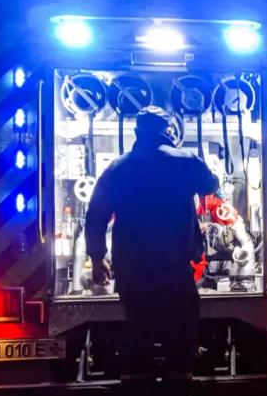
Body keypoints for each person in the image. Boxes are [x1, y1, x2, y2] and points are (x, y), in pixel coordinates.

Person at [86, 106, 219, 380]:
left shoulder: (118, 169)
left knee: (139, 336)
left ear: (137, 132)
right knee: (180, 341)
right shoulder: (184, 161)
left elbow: (96, 215)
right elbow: (211, 184)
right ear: (168, 131)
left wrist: (98, 258)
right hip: (174, 269)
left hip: (132, 271)